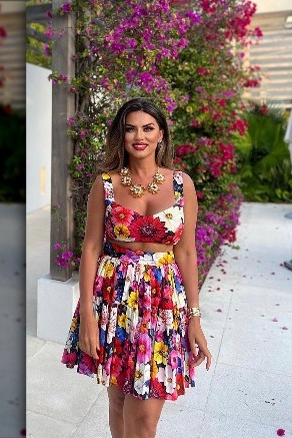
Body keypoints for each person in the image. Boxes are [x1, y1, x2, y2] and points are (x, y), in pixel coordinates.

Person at [61, 97, 212, 437]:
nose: (139, 136)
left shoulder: (181, 184)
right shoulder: (107, 184)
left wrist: (195, 317)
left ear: (161, 134)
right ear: (122, 134)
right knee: (117, 403)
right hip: (115, 300)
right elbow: (90, 248)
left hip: (162, 305)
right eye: (131, 128)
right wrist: (87, 313)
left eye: (148, 128)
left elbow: (186, 253)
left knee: (143, 419)